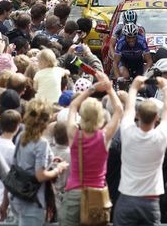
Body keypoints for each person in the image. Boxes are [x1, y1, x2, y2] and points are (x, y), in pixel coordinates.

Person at [59, 70, 123, 226]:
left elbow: (73, 105)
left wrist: (92, 88)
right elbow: (119, 110)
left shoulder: (74, 134)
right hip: (98, 194)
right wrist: (108, 87)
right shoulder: (104, 136)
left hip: (74, 191)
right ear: (100, 117)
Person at [113, 75, 167, 226]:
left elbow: (128, 110)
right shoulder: (161, 135)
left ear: (138, 116)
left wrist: (133, 87)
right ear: (156, 118)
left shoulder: (127, 131)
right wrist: (165, 88)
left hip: (126, 198)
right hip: (151, 202)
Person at [8, 98, 68, 226]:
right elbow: (40, 176)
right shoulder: (41, 143)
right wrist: (59, 168)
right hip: (33, 201)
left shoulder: (21, 136)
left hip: (16, 197)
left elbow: (18, 164)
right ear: (45, 122)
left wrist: (50, 160)